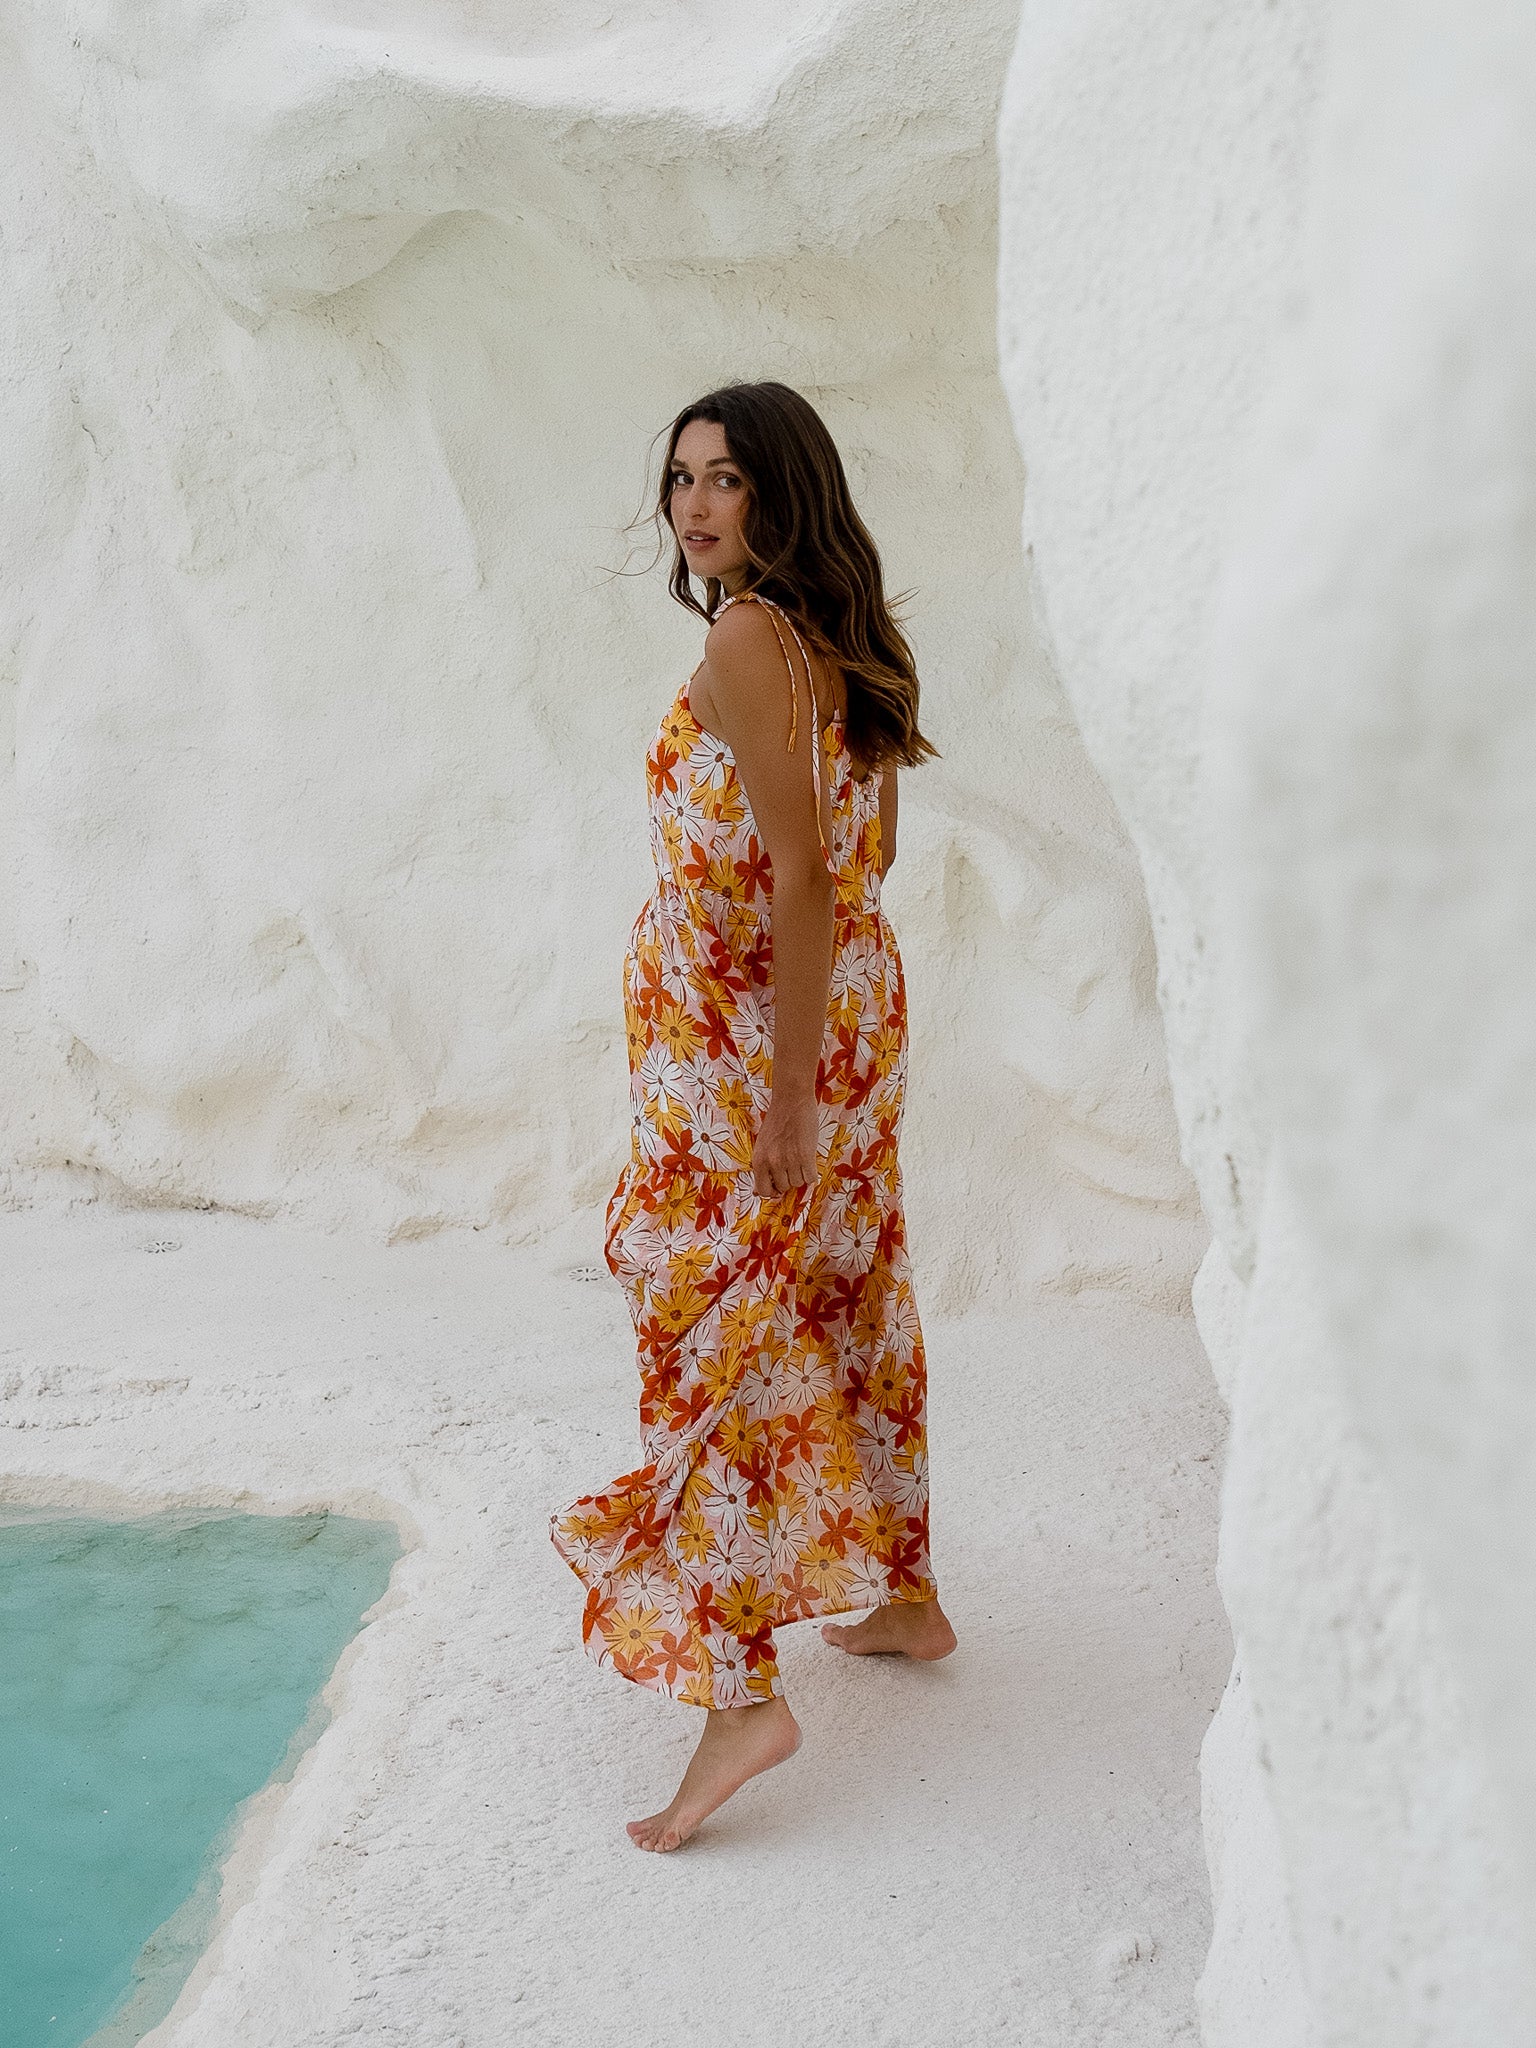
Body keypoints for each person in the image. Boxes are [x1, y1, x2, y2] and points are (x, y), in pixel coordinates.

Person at [550, 379, 955, 1853]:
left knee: (712, 1333)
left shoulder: (743, 639)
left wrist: (782, 1088)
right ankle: (901, 1596)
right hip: (836, 1017)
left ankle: (738, 1691)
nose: (697, 506)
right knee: (843, 1292)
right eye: (681, 482)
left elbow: (796, 870)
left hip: (751, 1051)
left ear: (784, 492)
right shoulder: (844, 644)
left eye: (726, 479)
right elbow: (870, 858)